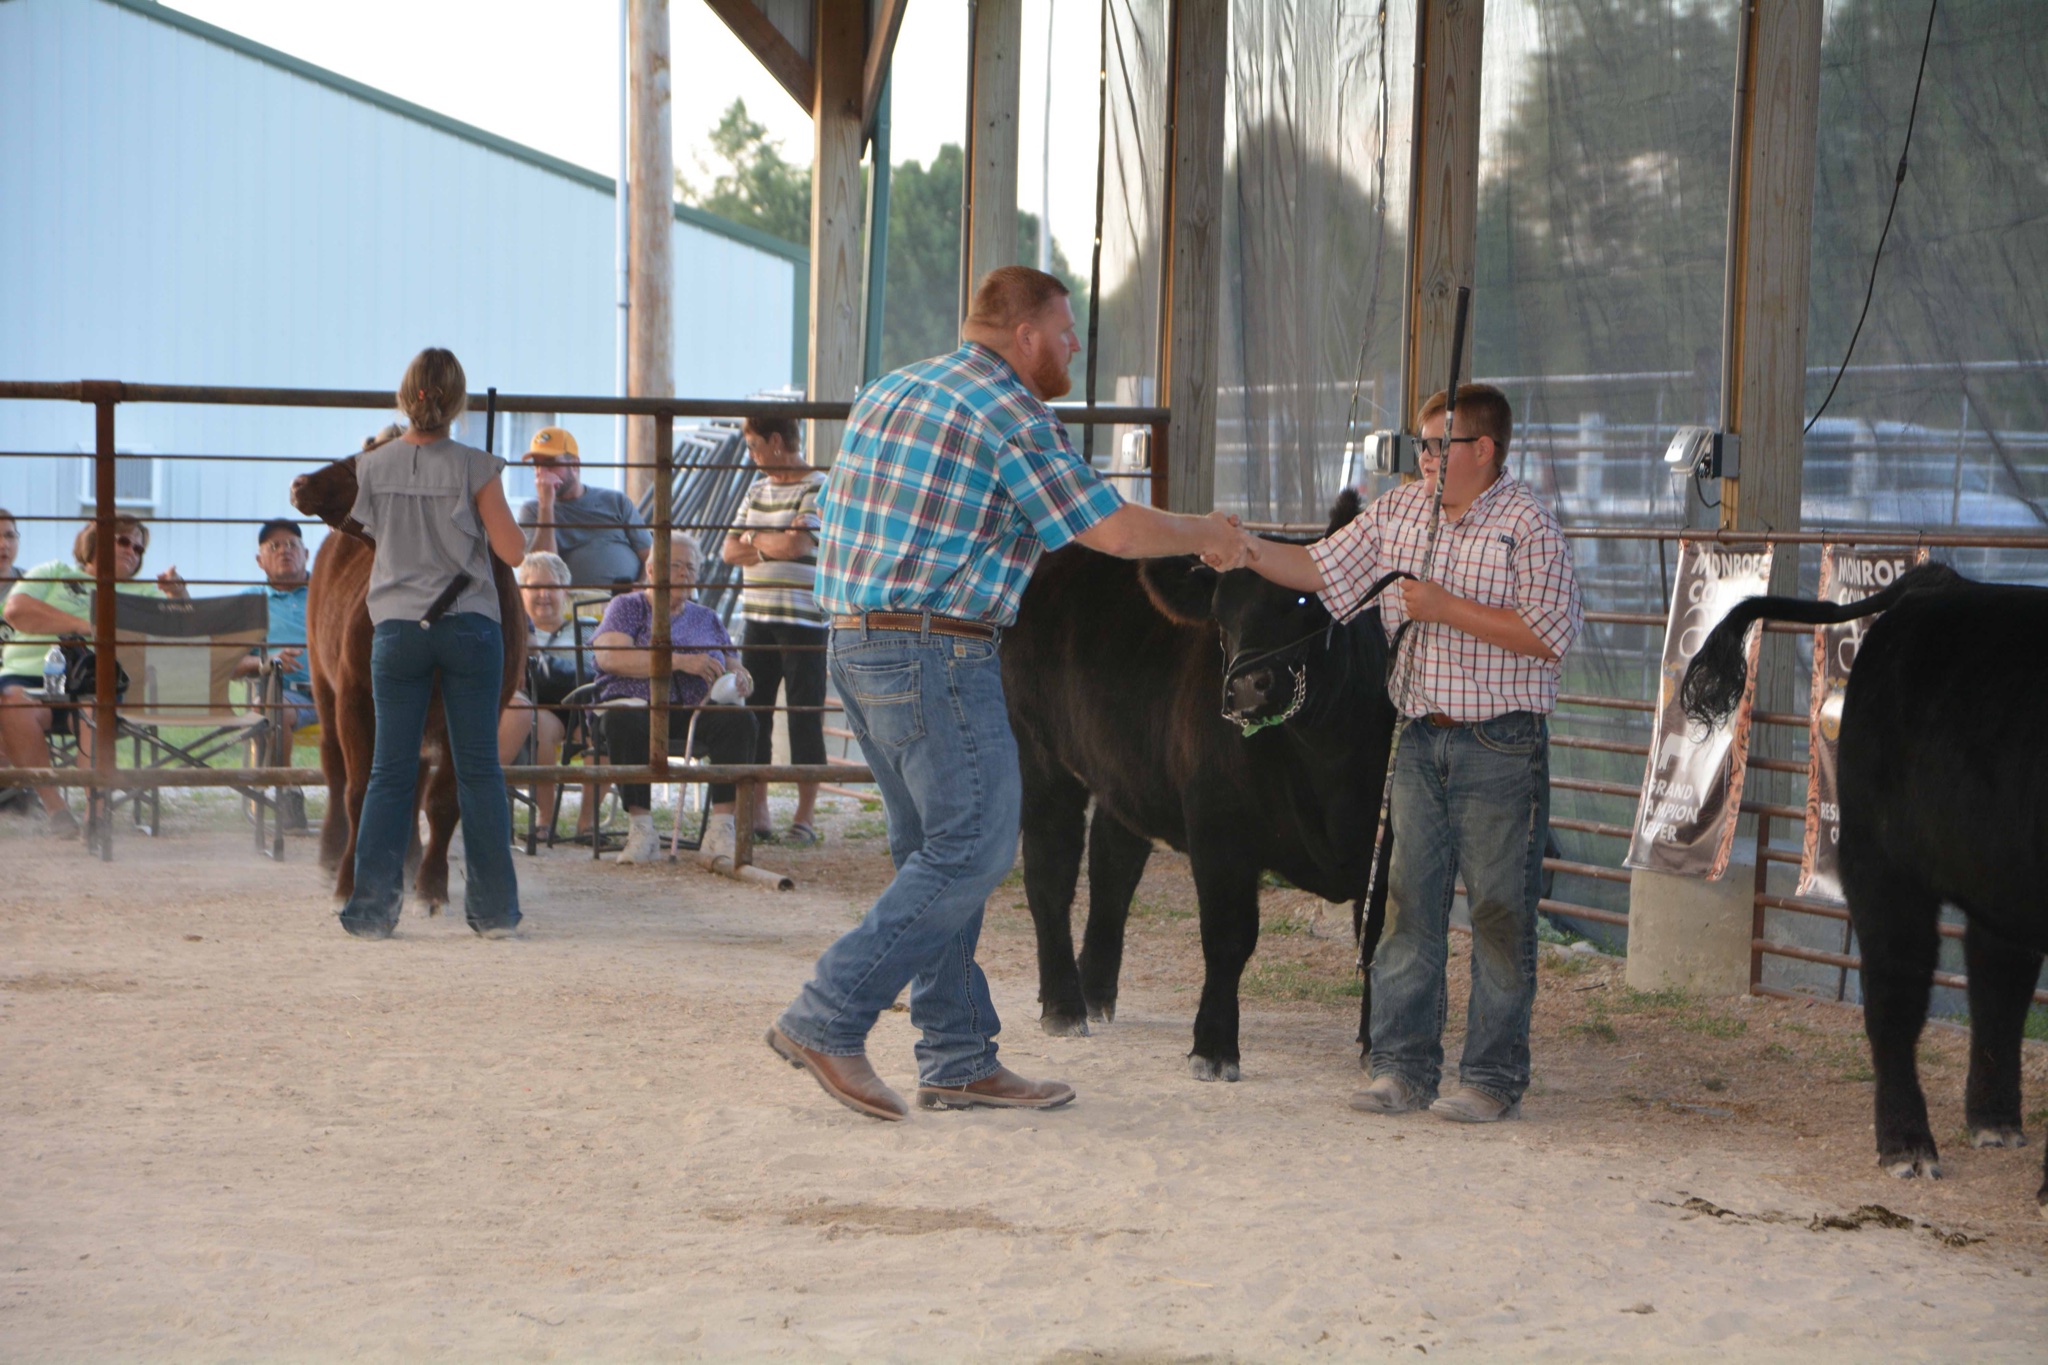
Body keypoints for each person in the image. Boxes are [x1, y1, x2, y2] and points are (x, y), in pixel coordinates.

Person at [768, 265, 1255, 1122]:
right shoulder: (1010, 410)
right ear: (1024, 335)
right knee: (974, 849)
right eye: (1065, 331)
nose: (1074, 345)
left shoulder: (892, 390)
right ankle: (828, 1013)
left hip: (854, 642)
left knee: (934, 855)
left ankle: (957, 1055)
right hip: (937, 650)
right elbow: (1107, 527)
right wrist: (1206, 534)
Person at [1230, 382, 1583, 1124]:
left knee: (1498, 913)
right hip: (1419, 735)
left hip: (1501, 743)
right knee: (1407, 908)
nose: (1423, 457)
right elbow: (1321, 569)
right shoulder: (1397, 512)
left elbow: (1549, 634)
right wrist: (1247, 550)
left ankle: (1491, 1078)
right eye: (1421, 444)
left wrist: (1445, 607)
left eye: (1438, 445)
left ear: (1482, 450)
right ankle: (1402, 1067)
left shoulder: (1528, 525)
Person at [337, 347, 528, 939]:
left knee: (388, 773)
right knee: (479, 772)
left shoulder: (371, 468)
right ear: (458, 403)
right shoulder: (478, 467)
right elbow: (514, 551)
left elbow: (367, 535)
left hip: (396, 629)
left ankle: (371, 911)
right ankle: (494, 913)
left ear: (405, 399)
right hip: (468, 626)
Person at [0, 515, 188, 836]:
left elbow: (181, 634)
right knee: (10, 702)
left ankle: (96, 815)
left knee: (95, 706)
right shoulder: (55, 571)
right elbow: (16, 611)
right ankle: (56, 810)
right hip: (29, 675)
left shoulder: (142, 593)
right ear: (95, 541)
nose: (132, 551)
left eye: (139, 548)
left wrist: (179, 598)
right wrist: (87, 627)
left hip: (95, 681)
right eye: (124, 541)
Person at [589, 532, 756, 865]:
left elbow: (734, 663)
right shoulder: (628, 606)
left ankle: (721, 829)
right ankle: (642, 830)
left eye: (690, 568)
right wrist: (679, 661)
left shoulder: (707, 617)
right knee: (622, 720)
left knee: (741, 721)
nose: (683, 573)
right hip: (638, 707)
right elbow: (609, 657)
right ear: (651, 571)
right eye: (675, 565)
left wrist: (742, 680)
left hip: (693, 711)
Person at [721, 413, 828, 846]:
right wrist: (771, 542)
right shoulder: (756, 489)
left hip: (804, 621)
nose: (751, 455)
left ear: (776, 441)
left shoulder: (817, 485)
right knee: (755, 712)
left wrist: (755, 539)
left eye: (754, 445)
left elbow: (797, 544)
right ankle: (759, 809)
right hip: (758, 618)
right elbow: (728, 550)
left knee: (805, 715)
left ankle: (805, 817)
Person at [496, 551, 585, 832]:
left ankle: (588, 823)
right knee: (542, 727)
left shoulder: (585, 629)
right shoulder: (514, 630)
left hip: (580, 703)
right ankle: (545, 819)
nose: (544, 595)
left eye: (552, 587)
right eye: (535, 587)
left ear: (565, 592)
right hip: (537, 704)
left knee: (601, 730)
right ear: (521, 591)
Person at [515, 426, 651, 591]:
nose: (541, 472)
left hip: (627, 598)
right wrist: (546, 505)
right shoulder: (533, 511)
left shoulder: (616, 501)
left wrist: (642, 587)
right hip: (572, 603)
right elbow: (542, 571)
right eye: (536, 465)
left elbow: (650, 556)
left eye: (550, 464)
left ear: (574, 464)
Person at [234, 518, 316, 730]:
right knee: (267, 708)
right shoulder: (250, 601)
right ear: (259, 560)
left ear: (306, 554)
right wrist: (268, 661)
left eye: (291, 544)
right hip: (288, 696)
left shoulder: (330, 590)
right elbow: (229, 664)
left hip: (344, 693)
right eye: (273, 546)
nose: (284, 551)